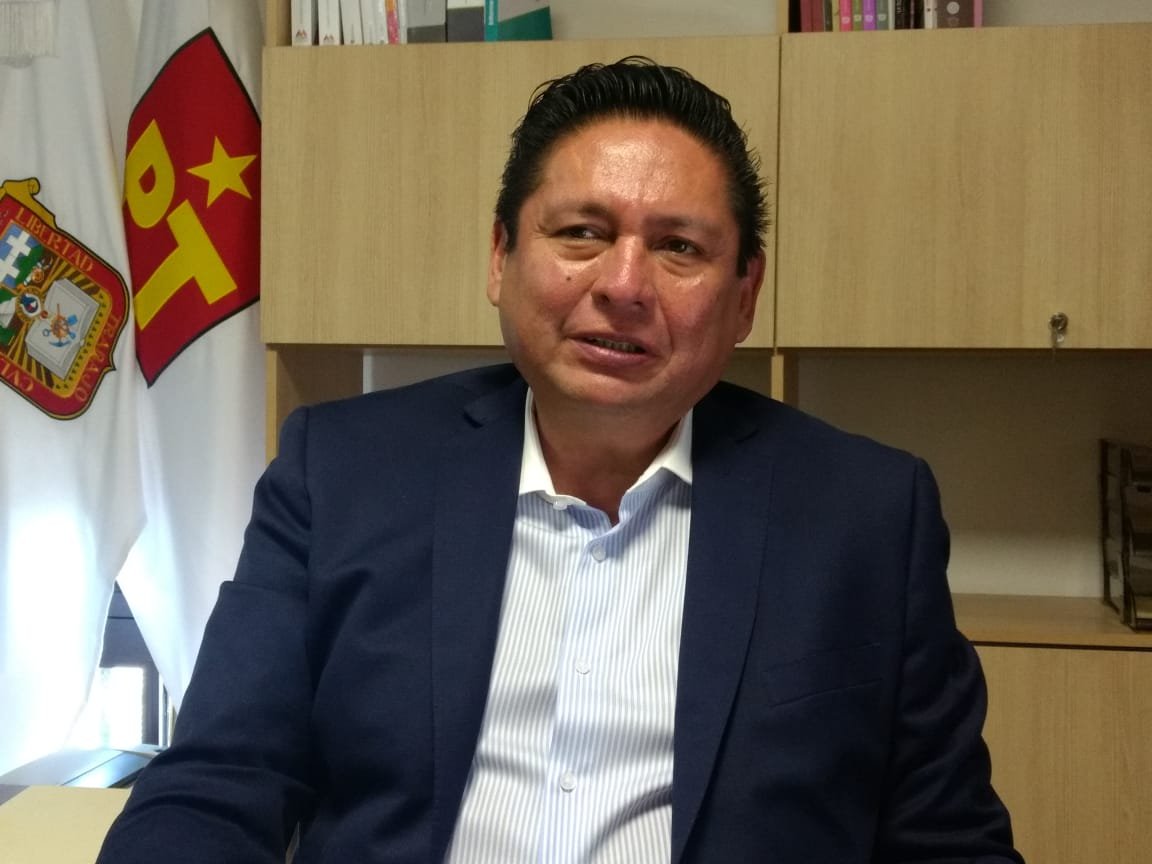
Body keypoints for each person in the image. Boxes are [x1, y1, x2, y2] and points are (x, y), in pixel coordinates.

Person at [97, 57, 1023, 863]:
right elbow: (219, 781)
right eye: (582, 232)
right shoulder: (341, 472)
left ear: (746, 297)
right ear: (500, 257)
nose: (623, 285)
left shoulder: (866, 515)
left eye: (679, 247)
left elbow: (947, 843)